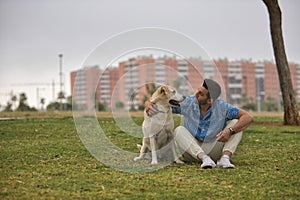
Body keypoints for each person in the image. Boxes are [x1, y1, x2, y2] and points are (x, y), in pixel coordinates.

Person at [146, 79, 253, 169]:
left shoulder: (222, 107)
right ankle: (205, 159)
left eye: (201, 94)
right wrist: (149, 103)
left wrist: (230, 131)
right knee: (179, 130)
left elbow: (248, 117)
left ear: (210, 101)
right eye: (198, 90)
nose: (196, 94)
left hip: (214, 149)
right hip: (193, 153)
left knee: (236, 124)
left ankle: (225, 159)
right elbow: (163, 102)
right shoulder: (187, 103)